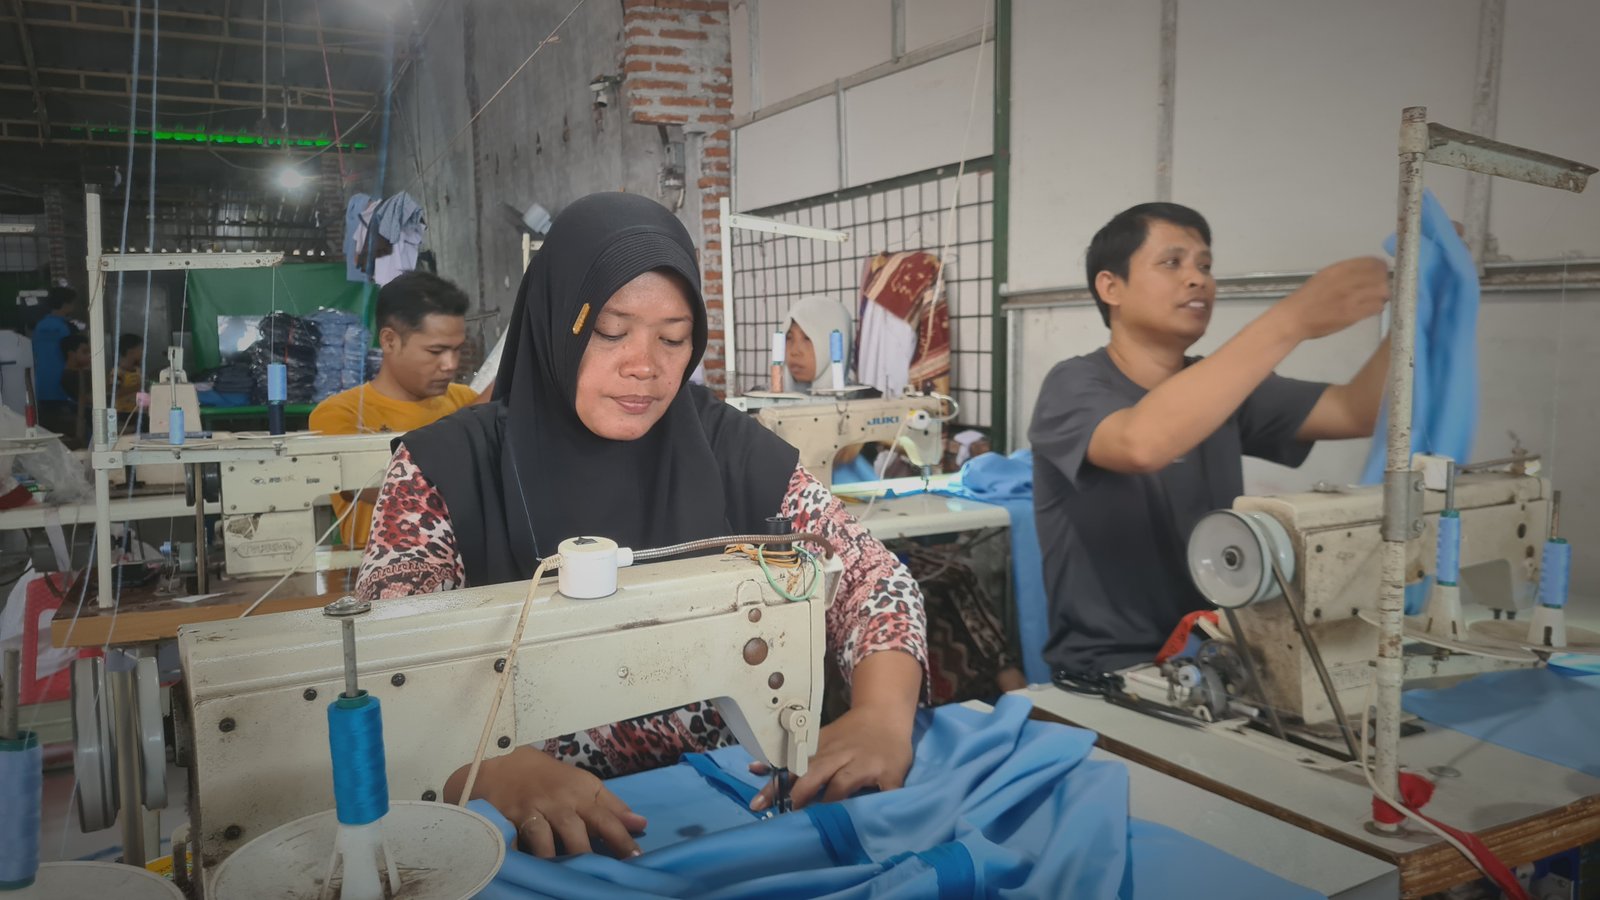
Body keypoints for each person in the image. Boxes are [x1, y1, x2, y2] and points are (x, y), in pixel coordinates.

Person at [353, 192, 928, 860]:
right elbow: (386, 673)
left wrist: (882, 715)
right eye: (612, 330)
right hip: (521, 833)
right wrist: (485, 770)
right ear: (554, 321)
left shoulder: (728, 448)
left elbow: (872, 579)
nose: (645, 365)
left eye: (673, 338)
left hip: (723, 803)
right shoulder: (444, 470)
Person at [1030, 202, 1391, 681]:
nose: (1198, 279)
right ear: (1110, 286)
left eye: (1205, 265)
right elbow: (1141, 443)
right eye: (1172, 263)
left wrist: (1417, 314)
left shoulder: (1221, 386)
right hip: (1113, 669)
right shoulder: (1073, 385)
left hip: (1222, 656)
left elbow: (1356, 410)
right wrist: (1291, 320)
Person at [308, 271, 480, 547]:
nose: (450, 364)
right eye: (436, 351)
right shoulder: (338, 414)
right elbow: (373, 489)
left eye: (457, 349)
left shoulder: (465, 399)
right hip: (376, 575)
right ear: (389, 341)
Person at [782, 295, 854, 392]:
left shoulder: (868, 405)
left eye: (807, 338)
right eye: (789, 338)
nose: (794, 352)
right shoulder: (766, 403)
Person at [30, 287, 80, 412]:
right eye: (73, 302)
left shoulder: (40, 326)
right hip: (64, 386)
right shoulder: (68, 328)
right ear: (65, 304)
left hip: (42, 386)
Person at [46, 333, 92, 446]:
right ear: (71, 354)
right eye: (85, 352)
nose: (90, 355)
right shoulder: (69, 376)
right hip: (80, 423)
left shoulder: (83, 373)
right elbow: (86, 398)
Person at [113, 334, 144, 416]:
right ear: (130, 352)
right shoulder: (118, 373)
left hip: (138, 412)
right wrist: (138, 387)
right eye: (141, 349)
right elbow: (115, 392)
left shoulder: (138, 371)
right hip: (123, 413)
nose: (143, 352)